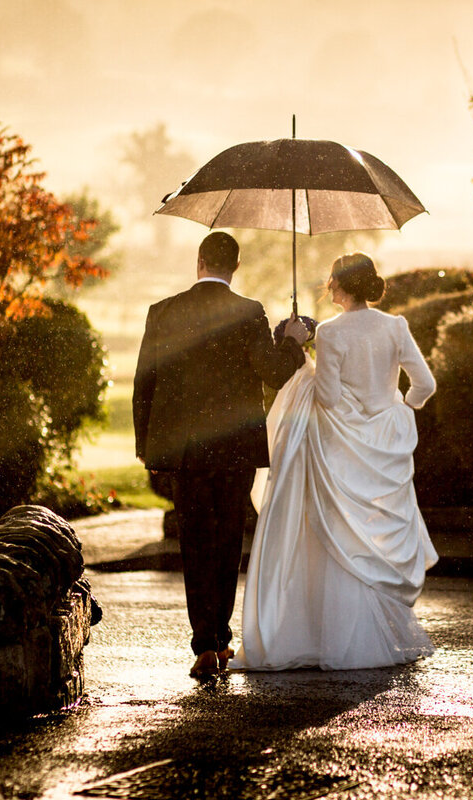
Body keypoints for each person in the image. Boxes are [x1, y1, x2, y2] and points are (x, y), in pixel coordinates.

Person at [233, 252, 438, 671]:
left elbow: (326, 397)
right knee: (370, 535)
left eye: (331, 280)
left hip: (340, 445)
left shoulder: (330, 332)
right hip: (383, 444)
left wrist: (304, 357)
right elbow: (425, 384)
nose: (328, 286)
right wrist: (399, 410)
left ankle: (326, 632)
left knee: (337, 535)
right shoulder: (395, 326)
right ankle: (375, 632)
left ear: (340, 286)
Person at [133, 231, 309, 679]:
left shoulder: (163, 311)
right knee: (228, 540)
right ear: (235, 268)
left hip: (187, 450)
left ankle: (204, 645)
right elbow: (272, 374)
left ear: (199, 262)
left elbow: (144, 384)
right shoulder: (249, 313)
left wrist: (147, 448)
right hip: (234, 449)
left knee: (195, 543)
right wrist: (291, 340)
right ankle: (220, 638)